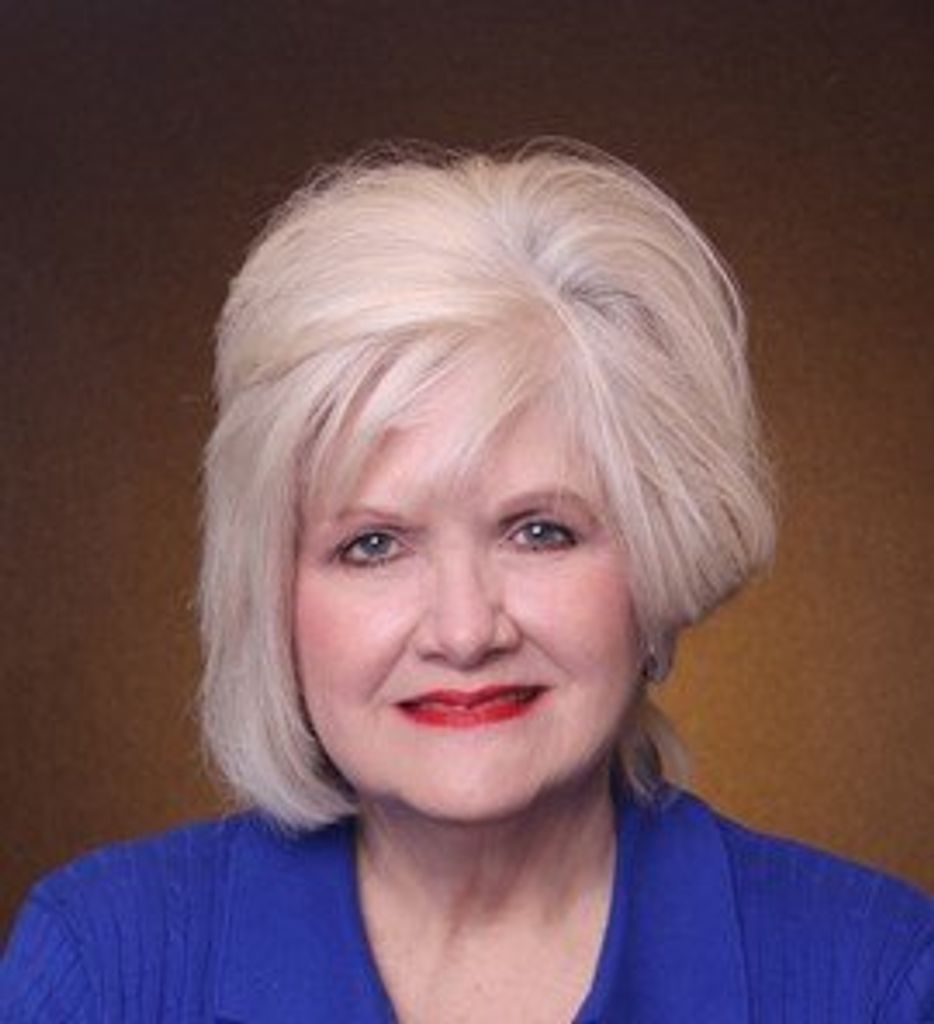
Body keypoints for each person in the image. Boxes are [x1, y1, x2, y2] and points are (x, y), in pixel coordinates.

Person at [1, 140, 931, 1022]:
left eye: (540, 532)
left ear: (659, 562)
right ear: (272, 599)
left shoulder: (875, 978)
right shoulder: (103, 967)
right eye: (373, 545)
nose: (464, 630)